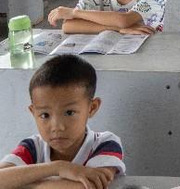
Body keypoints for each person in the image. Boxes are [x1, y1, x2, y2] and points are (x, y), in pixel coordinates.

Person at [0, 55, 125, 189]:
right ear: (33, 112)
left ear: (92, 108)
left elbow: (89, 186)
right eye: (45, 115)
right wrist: (58, 167)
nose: (57, 127)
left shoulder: (105, 143)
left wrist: (22, 182)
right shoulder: (33, 147)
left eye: (69, 113)